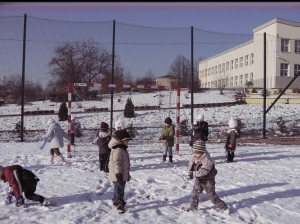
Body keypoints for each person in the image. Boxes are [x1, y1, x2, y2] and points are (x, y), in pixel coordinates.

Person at [187, 140, 229, 213]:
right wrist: (190, 171)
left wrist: (193, 174)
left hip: (208, 180)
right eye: (193, 152)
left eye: (197, 153)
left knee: (212, 196)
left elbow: (203, 171)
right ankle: (193, 208)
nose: (194, 155)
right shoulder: (195, 157)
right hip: (199, 178)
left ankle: (223, 207)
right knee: (194, 193)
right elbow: (191, 164)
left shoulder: (207, 160)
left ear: (202, 152)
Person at [108, 129, 132, 213]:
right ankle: (119, 204)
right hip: (118, 174)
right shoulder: (118, 150)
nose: (128, 142)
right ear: (121, 140)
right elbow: (116, 163)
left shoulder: (122, 149)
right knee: (119, 190)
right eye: (126, 140)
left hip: (122, 174)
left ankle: (117, 201)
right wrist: (118, 174)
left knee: (119, 189)